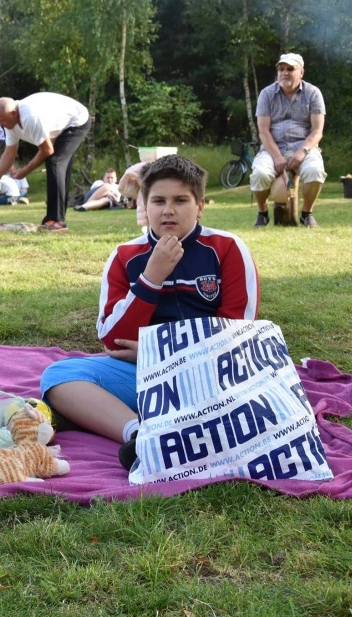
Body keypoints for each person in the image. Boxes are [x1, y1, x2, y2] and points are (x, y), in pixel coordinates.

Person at [39, 155, 260, 470]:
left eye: (180, 200)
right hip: (147, 375)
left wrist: (158, 353)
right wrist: (150, 279)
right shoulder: (125, 256)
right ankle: (142, 435)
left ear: (199, 206)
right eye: (158, 200)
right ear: (144, 204)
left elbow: (238, 334)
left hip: (211, 373)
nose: (168, 210)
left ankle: (187, 425)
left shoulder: (227, 248)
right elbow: (113, 339)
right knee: (58, 377)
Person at [0, 92, 92, 231]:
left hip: (77, 120)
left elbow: (47, 150)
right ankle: (58, 219)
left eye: (2, 120)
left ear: (14, 113)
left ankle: (56, 221)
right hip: (60, 125)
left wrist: (24, 171)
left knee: (55, 162)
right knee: (58, 164)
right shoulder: (10, 123)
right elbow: (9, 153)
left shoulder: (30, 117)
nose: (1, 125)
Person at [249, 53, 326, 228]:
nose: (284, 73)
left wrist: (302, 152)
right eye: (281, 69)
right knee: (260, 174)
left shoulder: (313, 93)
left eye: (290, 69)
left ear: (301, 72)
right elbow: (263, 131)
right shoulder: (266, 94)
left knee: (315, 171)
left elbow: (317, 131)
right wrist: (277, 157)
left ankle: (307, 214)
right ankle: (262, 213)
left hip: (304, 147)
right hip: (273, 147)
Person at [119, 160, 152, 232]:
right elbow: (121, 188)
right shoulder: (139, 188)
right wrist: (128, 175)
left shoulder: (151, 186)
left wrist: (136, 176)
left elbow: (145, 187)